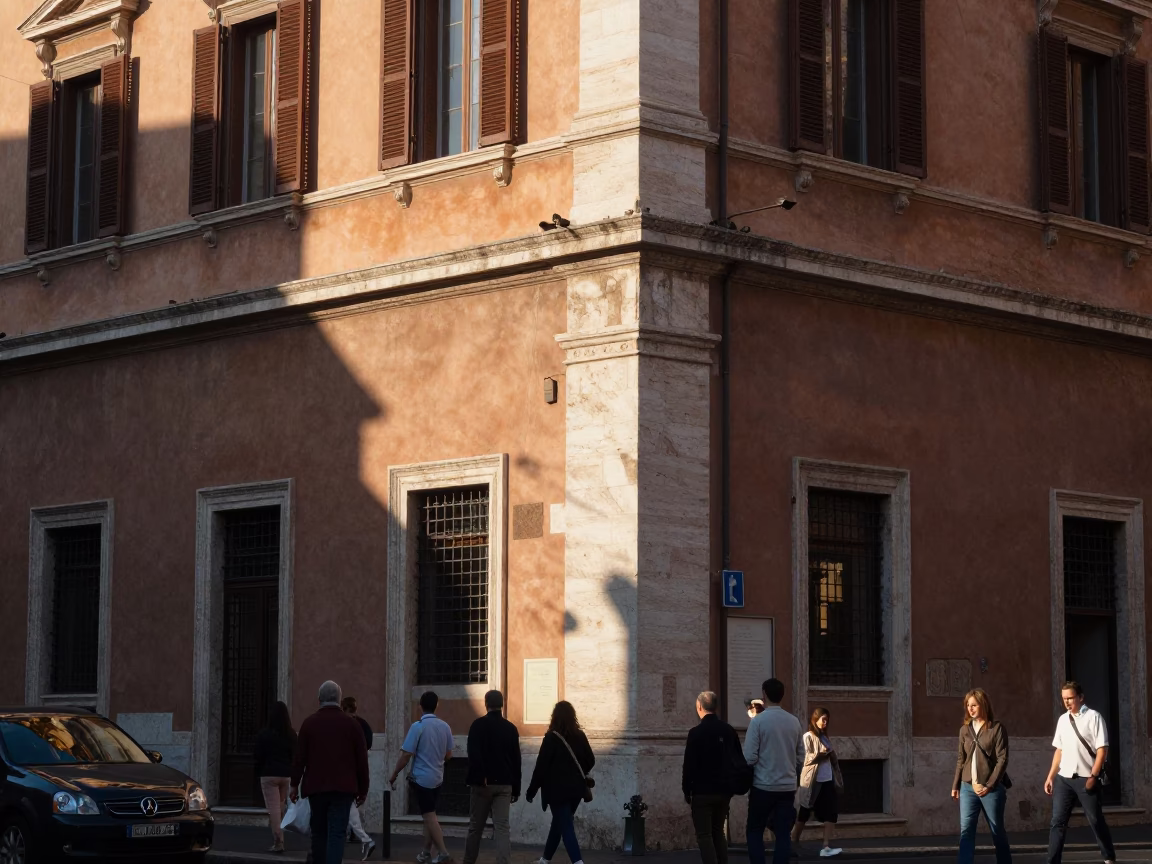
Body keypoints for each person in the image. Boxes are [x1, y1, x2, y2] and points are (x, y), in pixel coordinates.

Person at [290, 680, 370, 864]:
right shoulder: (352, 725)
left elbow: (299, 758)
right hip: (343, 789)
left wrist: (294, 784)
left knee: (319, 833)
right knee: (337, 834)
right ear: (340, 700)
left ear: (319, 699)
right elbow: (361, 761)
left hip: (316, 788)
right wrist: (363, 790)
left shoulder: (309, 724)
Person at [1045, 681, 1115, 864]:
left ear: (1081, 697)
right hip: (1064, 779)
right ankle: (1052, 861)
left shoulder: (1094, 717)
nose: (1067, 702)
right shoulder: (1062, 720)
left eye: (1070, 698)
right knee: (1057, 823)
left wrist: (1093, 776)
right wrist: (1051, 776)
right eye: (1064, 699)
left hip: (1086, 778)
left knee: (1095, 819)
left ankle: (1109, 856)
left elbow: (1102, 749)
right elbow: (1059, 750)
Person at [389, 691, 455, 864]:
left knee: (429, 817)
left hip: (421, 779)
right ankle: (426, 852)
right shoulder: (445, 727)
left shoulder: (417, 727)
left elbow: (405, 755)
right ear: (437, 705)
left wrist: (394, 774)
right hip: (438, 778)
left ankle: (443, 853)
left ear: (420, 706)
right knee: (430, 816)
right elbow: (449, 755)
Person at [743, 678, 804, 864]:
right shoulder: (794, 722)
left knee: (755, 831)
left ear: (764, 695)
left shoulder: (758, 722)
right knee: (783, 833)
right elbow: (801, 757)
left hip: (762, 786)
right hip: (786, 787)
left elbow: (749, 758)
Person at [526, 701, 595, 864]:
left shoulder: (551, 738)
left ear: (554, 717)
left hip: (556, 791)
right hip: (576, 791)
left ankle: (578, 862)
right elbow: (591, 760)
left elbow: (541, 767)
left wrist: (531, 791)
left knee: (565, 826)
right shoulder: (580, 736)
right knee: (559, 823)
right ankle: (545, 860)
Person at [951, 689, 1011, 864]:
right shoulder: (964, 730)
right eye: (968, 705)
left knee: (997, 830)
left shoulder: (997, 728)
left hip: (991, 790)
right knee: (966, 831)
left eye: (974, 705)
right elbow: (961, 759)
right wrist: (956, 785)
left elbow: (1002, 759)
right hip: (967, 787)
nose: (970, 709)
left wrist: (991, 785)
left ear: (983, 705)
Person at [682, 690, 742, 864]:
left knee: (704, 835)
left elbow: (689, 764)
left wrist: (687, 789)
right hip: (724, 790)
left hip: (702, 791)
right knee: (718, 832)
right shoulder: (729, 730)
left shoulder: (695, 733)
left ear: (699, 706)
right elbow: (738, 759)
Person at [463, 690, 521, 864]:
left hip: (483, 784)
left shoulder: (477, 725)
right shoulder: (511, 728)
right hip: (505, 784)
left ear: (486, 703)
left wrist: (480, 777)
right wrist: (516, 788)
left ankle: (468, 861)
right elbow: (516, 760)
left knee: (475, 827)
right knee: (502, 828)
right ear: (502, 704)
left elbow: (474, 754)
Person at [792, 707, 843, 858]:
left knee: (831, 812)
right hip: (813, 781)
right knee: (805, 811)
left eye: (827, 720)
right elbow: (805, 758)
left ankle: (826, 846)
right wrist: (820, 755)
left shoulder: (825, 737)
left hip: (827, 779)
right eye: (823, 720)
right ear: (815, 720)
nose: (825, 723)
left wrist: (831, 755)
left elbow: (830, 757)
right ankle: (793, 839)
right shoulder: (808, 736)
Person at [255, 700, 297, 854]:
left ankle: (278, 841)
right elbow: (294, 755)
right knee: (280, 807)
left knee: (273, 809)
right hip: (286, 775)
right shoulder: (291, 734)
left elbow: (258, 755)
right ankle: (281, 839)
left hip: (269, 775)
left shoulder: (264, 734)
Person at [341, 696, 376, 861]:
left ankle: (362, 837)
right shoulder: (363, 724)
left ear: (345, 708)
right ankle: (355, 834)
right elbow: (369, 742)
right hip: (357, 768)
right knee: (351, 803)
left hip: (346, 768)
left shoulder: (345, 724)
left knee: (348, 803)